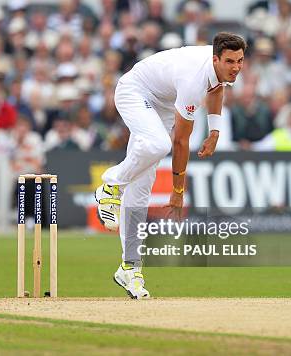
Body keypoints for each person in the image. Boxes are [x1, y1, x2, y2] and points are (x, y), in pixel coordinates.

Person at [94, 32, 246, 299]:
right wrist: (178, 191)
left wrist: (215, 132)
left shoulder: (220, 70)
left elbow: (217, 88)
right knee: (159, 145)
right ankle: (110, 185)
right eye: (231, 62)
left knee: (142, 188)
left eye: (240, 61)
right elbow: (181, 142)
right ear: (216, 59)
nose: (236, 67)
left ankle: (130, 268)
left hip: (163, 103)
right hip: (135, 91)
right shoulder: (193, 79)